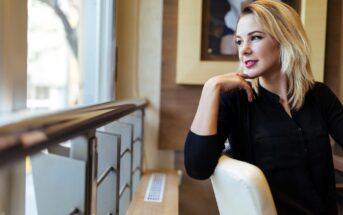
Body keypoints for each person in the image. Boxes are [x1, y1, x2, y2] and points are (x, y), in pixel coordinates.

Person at [184, 0, 343, 214]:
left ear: (285, 39)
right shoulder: (236, 101)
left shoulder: (319, 96)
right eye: (239, 41)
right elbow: (198, 168)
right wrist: (211, 88)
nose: (244, 50)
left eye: (255, 37)